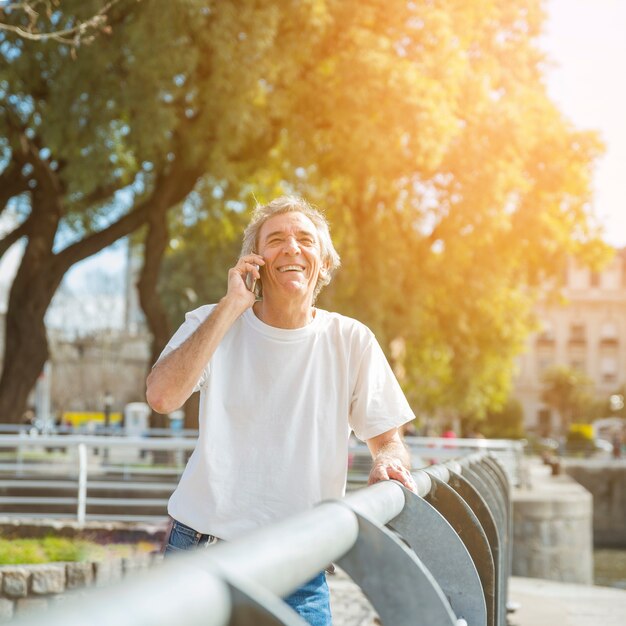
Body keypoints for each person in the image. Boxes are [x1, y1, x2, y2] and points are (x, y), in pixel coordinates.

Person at [146, 195, 417, 625]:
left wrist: (387, 461)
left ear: (323, 264)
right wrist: (231, 306)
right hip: (202, 550)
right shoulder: (210, 321)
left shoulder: (351, 340)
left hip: (301, 562)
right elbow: (162, 397)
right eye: (276, 240)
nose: (292, 247)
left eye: (305, 239)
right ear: (254, 261)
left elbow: (389, 440)